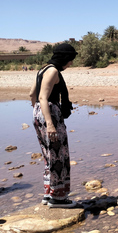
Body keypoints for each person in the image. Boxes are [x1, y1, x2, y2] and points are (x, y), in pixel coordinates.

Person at [28, 43, 78, 208]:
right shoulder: (53, 71)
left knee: (49, 156)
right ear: (64, 57)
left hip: (40, 113)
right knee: (59, 156)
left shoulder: (42, 69)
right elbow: (43, 96)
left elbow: (31, 94)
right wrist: (49, 123)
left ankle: (48, 194)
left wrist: (37, 112)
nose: (70, 63)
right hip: (50, 115)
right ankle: (58, 198)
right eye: (70, 60)